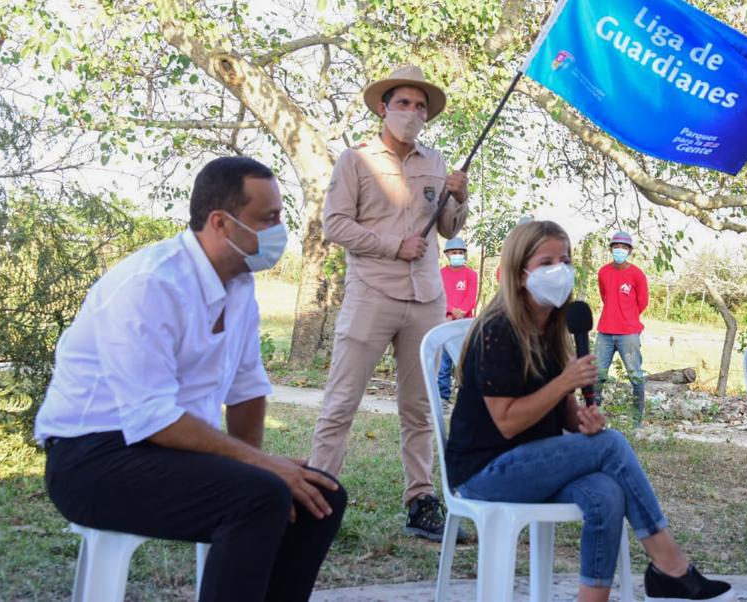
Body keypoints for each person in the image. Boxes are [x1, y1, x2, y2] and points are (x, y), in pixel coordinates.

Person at [34, 157, 347, 602]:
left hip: (162, 452)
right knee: (259, 497)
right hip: (91, 459)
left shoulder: (239, 286)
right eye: (269, 219)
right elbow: (156, 418)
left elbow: (246, 390)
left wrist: (261, 466)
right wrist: (261, 469)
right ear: (221, 222)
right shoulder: (152, 285)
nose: (281, 232)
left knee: (320, 499)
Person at [444, 221, 733, 602]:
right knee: (612, 446)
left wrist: (581, 421)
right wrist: (565, 382)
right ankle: (671, 565)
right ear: (519, 273)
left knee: (607, 492)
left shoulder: (552, 327)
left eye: (564, 259)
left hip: (534, 463)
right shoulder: (498, 330)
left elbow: (561, 415)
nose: (559, 269)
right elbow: (508, 423)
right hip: (485, 471)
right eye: (546, 261)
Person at [310, 64, 468, 541]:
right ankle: (315, 497)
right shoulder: (355, 160)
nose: (412, 112)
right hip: (372, 293)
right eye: (403, 103)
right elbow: (334, 224)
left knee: (420, 408)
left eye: (420, 106)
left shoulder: (435, 162)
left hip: (426, 298)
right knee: (341, 402)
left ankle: (421, 502)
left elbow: (448, 230)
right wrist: (390, 245)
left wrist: (459, 198)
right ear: (383, 107)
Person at [595, 231, 649, 424]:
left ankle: (636, 420)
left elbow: (642, 302)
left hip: (629, 333)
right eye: (616, 247)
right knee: (597, 375)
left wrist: (628, 317)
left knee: (635, 375)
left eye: (623, 247)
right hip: (605, 332)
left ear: (629, 251)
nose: (619, 250)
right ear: (611, 249)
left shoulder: (637, 274)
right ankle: (593, 415)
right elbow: (604, 296)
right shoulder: (603, 272)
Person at [437, 236, 478, 408]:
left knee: (464, 362)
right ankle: (443, 397)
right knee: (444, 362)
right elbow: (438, 296)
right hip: (445, 321)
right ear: (447, 254)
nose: (458, 255)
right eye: (454, 252)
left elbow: (471, 298)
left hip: (465, 324)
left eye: (461, 252)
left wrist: (459, 313)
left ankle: (465, 399)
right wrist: (451, 310)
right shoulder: (439, 274)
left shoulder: (471, 274)